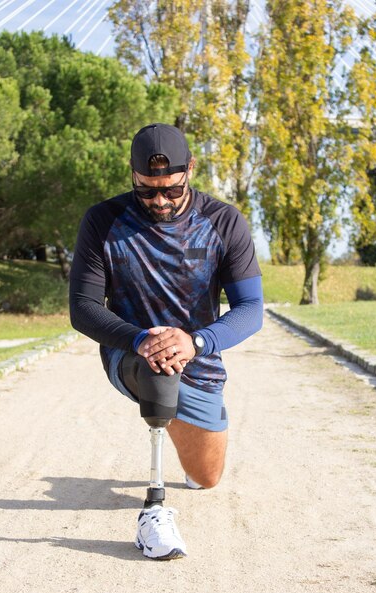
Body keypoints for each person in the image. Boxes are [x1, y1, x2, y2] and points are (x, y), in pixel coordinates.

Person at [69, 123, 263, 560]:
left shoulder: (223, 221)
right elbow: (82, 306)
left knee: (207, 476)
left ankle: (184, 429)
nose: (159, 201)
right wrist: (139, 339)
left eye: (172, 190)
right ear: (133, 176)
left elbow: (251, 309)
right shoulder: (103, 221)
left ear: (190, 170)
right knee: (159, 374)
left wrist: (196, 342)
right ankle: (153, 514)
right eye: (147, 190)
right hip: (130, 350)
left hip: (198, 354)